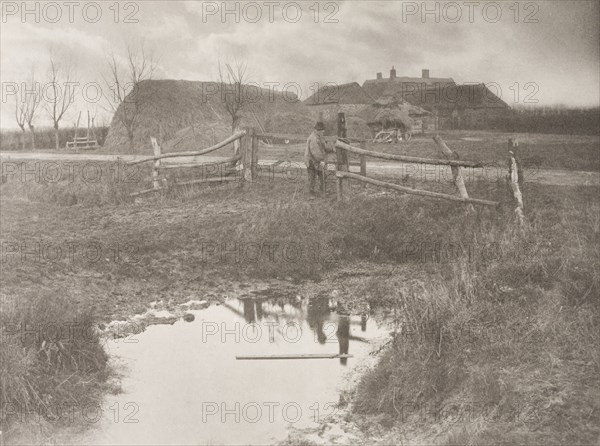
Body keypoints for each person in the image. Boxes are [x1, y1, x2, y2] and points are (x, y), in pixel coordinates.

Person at [305, 121, 329, 197]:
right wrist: (321, 160)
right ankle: (311, 194)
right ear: (317, 130)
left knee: (322, 175)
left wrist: (332, 147)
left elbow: (324, 145)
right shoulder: (313, 138)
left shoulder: (319, 137)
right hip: (311, 161)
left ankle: (322, 192)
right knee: (312, 177)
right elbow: (315, 152)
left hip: (316, 160)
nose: (323, 131)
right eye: (322, 130)